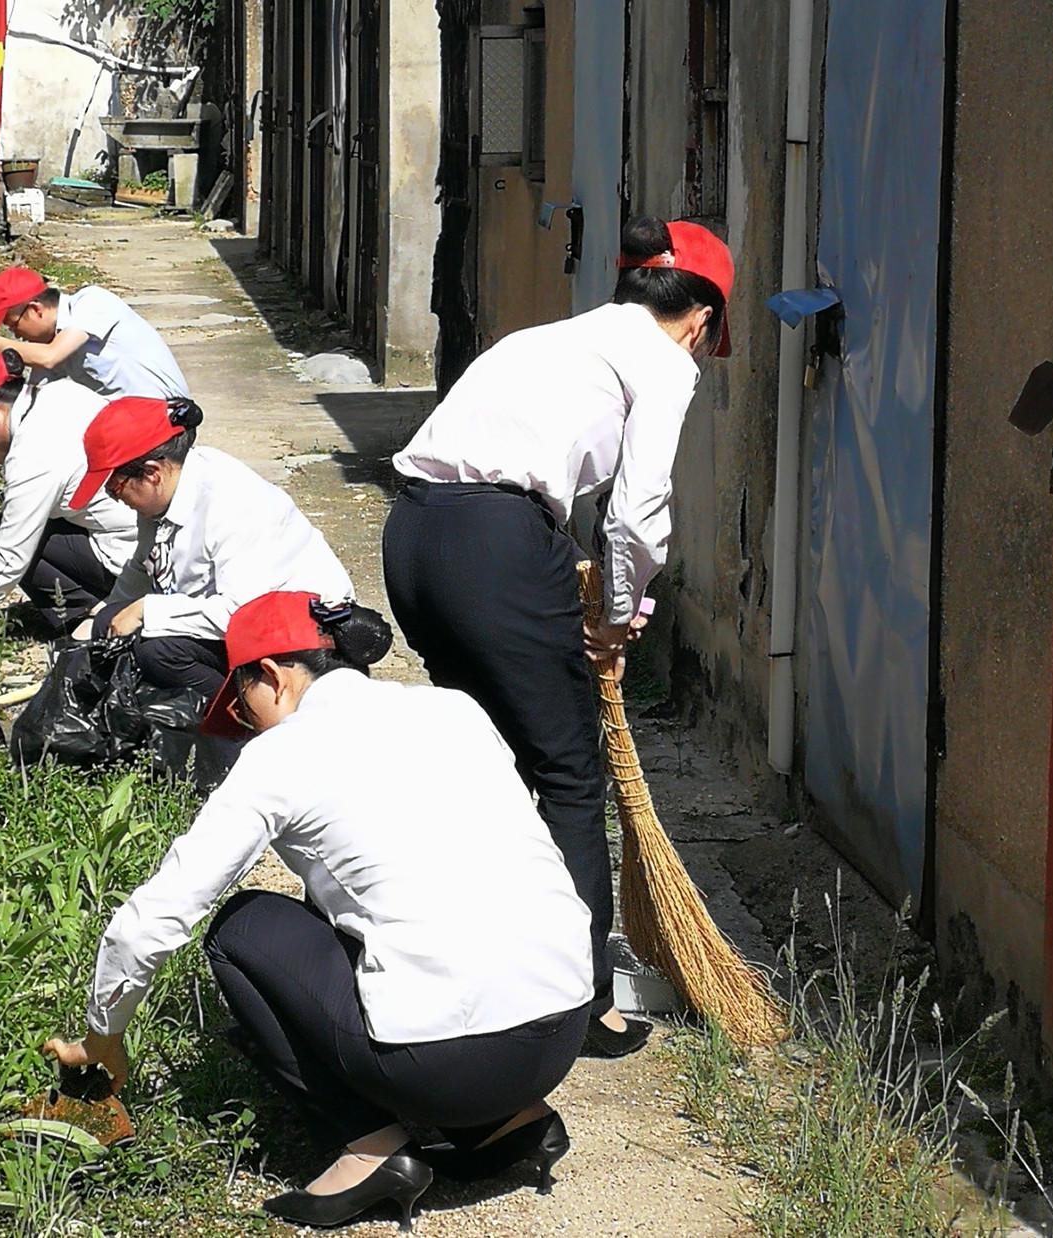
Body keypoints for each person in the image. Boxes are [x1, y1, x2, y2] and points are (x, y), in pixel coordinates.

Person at [43, 591, 595, 1230]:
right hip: (560, 1032)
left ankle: (371, 1145)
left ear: (271, 677)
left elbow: (148, 924)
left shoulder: (281, 755)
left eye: (242, 706)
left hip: (445, 1067)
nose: (247, 726)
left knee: (240, 926)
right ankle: (502, 1121)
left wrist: (104, 1037)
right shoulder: (454, 709)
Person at [381, 216, 734, 1059]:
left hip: (414, 540)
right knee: (570, 776)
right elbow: (639, 513)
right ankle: (581, 1004)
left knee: (491, 760)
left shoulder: (547, 340)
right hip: (493, 548)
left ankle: (471, 955)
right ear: (702, 319)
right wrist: (616, 617)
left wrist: (575, 582)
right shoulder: (663, 361)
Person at [66, 396, 355, 700]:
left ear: (152, 473)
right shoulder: (162, 497)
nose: (115, 499)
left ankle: (246, 721)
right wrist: (105, 616)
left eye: (115, 488)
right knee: (112, 622)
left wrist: (145, 610)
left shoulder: (230, 501)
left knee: (158, 650)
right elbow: (142, 564)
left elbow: (240, 613)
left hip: (305, 634)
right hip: (242, 618)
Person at [0, 348, 139, 638]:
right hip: (144, 531)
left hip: (130, 558)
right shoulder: (62, 391)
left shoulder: (31, 456)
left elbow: (12, 553)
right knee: (11, 526)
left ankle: (91, 611)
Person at [0, 266, 190, 401]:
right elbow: (31, 402)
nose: (16, 335)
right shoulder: (54, 340)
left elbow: (50, 357)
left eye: (14, 326)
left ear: (35, 310)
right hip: (133, 418)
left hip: (167, 414)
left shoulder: (92, 302)